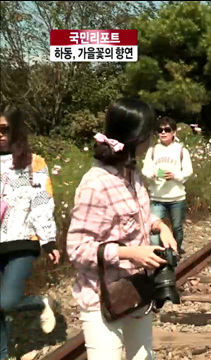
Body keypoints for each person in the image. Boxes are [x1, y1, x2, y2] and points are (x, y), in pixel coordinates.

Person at [66, 98, 178, 360]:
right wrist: (131, 254)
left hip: (137, 289)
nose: (152, 138)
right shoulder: (96, 184)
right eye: (148, 133)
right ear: (135, 137)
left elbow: (138, 215)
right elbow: (78, 249)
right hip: (104, 297)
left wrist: (160, 225)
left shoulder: (132, 174)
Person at [0, 105, 60, 360]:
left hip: (23, 240)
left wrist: (49, 241)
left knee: (6, 302)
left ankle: (36, 302)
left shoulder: (33, 163)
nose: (0, 134)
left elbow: (42, 203)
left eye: (5, 129)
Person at [141, 116, 193, 255]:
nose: (163, 133)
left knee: (177, 228)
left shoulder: (182, 151)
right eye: (160, 130)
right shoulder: (152, 151)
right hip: (157, 197)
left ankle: (175, 250)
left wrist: (175, 176)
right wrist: (153, 175)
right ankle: (158, 253)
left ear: (174, 132)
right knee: (154, 228)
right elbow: (145, 170)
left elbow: (188, 172)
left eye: (167, 130)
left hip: (177, 197)